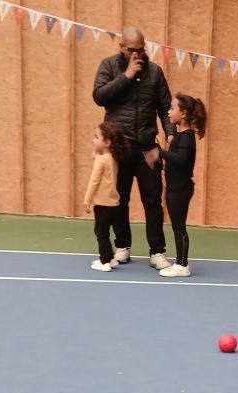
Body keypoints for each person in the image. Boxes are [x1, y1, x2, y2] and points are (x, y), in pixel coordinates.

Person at [92, 26, 174, 270]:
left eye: (141, 49)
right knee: (119, 200)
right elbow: (99, 96)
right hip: (119, 148)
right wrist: (126, 76)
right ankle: (123, 246)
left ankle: (157, 252)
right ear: (121, 47)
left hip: (147, 148)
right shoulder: (109, 66)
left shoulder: (155, 72)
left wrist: (170, 133)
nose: (137, 54)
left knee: (153, 201)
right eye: (131, 50)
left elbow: (165, 106)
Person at [157, 93, 206, 278]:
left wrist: (160, 152)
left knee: (179, 227)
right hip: (175, 187)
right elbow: (175, 162)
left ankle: (182, 265)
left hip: (181, 189)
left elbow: (180, 159)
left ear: (183, 113)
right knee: (177, 226)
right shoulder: (179, 136)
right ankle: (180, 262)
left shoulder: (186, 137)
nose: (169, 112)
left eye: (172, 108)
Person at [83, 123, 130, 272]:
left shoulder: (101, 160)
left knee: (101, 233)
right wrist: (97, 157)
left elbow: (94, 181)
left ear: (107, 142)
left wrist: (87, 200)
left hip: (103, 204)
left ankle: (105, 262)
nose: (93, 140)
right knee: (106, 232)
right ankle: (110, 258)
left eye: (96, 137)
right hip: (114, 204)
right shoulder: (113, 158)